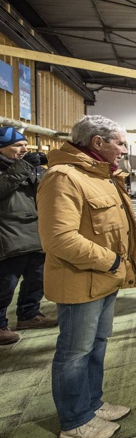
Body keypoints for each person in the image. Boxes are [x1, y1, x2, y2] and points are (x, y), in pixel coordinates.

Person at [38, 115, 136, 438]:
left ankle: (91, 404)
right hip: (81, 280)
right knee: (73, 353)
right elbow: (59, 239)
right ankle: (74, 421)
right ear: (98, 142)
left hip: (104, 280)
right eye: (120, 143)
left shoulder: (100, 176)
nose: (124, 150)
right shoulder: (63, 177)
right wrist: (111, 261)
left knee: (95, 347)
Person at [0, 126, 57, 345]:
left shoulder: (30, 168)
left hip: (35, 231)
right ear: (3, 148)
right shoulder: (13, 168)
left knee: (38, 277)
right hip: (9, 233)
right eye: (18, 146)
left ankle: (29, 314)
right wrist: (24, 166)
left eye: (25, 145)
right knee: (6, 283)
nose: (24, 149)